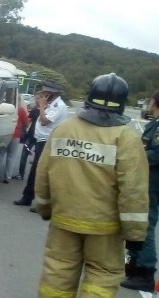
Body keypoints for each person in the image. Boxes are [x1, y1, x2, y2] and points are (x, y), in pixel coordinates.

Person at [33, 73, 149, 297]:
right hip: (105, 228)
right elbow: (133, 190)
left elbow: (43, 175)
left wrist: (45, 209)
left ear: (89, 98)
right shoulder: (126, 138)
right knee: (101, 276)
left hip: (63, 220)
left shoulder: (63, 129)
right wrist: (135, 236)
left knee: (58, 272)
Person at [121, 89, 159, 292]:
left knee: (146, 225)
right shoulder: (155, 124)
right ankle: (134, 267)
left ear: (154, 102)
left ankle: (145, 272)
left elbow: (157, 154)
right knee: (140, 222)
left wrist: (137, 154)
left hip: (153, 183)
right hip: (148, 181)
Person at [13, 81, 68, 207]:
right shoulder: (52, 104)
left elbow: (44, 122)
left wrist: (42, 106)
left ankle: (33, 200)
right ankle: (29, 198)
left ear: (49, 94)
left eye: (44, 93)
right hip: (42, 141)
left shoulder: (58, 106)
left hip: (48, 142)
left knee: (40, 172)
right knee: (37, 172)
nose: (42, 95)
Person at [0, 95, 29, 183]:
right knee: (11, 156)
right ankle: (8, 177)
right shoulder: (20, 110)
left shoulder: (3, 108)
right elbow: (27, 123)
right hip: (16, 135)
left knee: (0, 154)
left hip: (4, 134)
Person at [14, 94, 40, 180]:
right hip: (31, 136)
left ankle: (33, 177)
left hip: (40, 138)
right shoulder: (34, 110)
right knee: (24, 155)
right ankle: (21, 174)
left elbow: (27, 122)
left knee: (37, 158)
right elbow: (28, 122)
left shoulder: (46, 111)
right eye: (35, 98)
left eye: (37, 99)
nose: (35, 100)